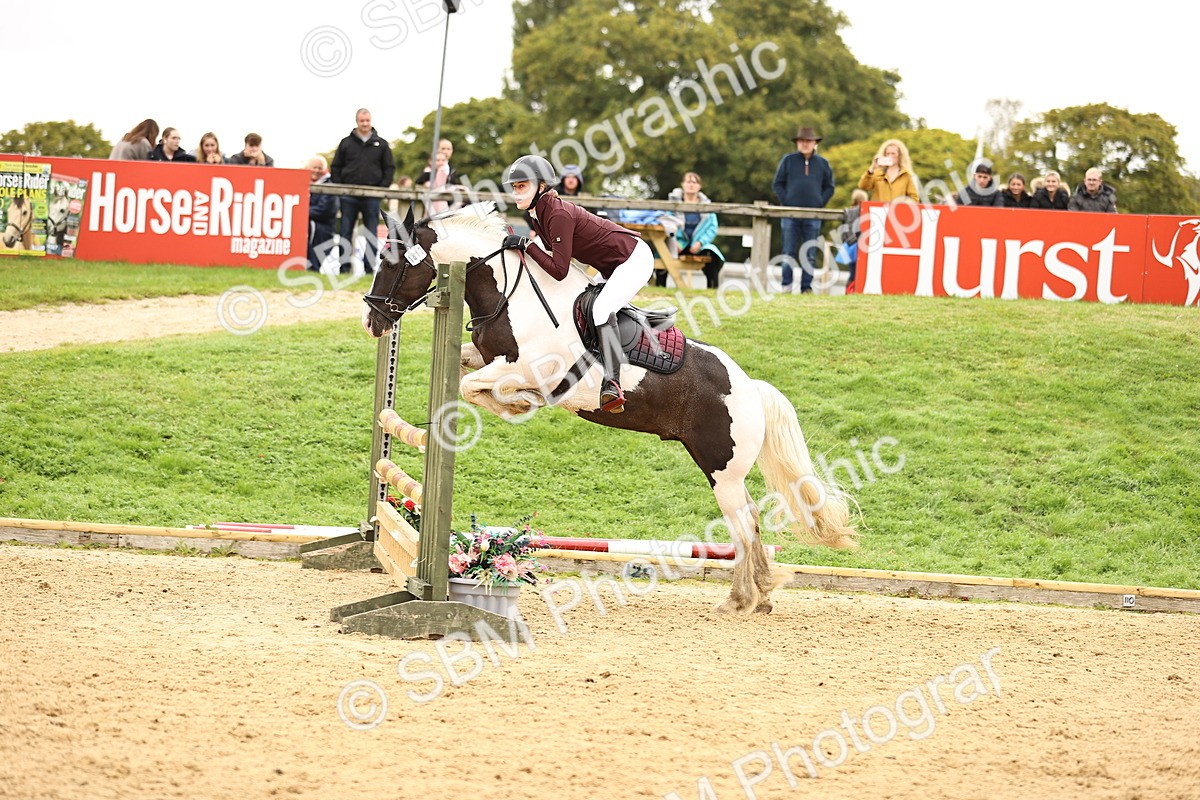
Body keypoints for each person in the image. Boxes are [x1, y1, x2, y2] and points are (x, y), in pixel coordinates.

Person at [499, 154, 653, 414]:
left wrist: (526, 245)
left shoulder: (556, 213)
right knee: (579, 307)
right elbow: (548, 255)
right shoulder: (539, 213)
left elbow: (559, 270)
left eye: (522, 186)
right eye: (514, 187)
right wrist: (524, 248)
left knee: (600, 310)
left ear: (542, 187)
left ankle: (613, 382)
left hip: (633, 259)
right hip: (611, 266)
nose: (516, 193)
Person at [331, 108, 395, 274]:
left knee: (371, 233)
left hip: (372, 197)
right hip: (349, 196)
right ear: (357, 121)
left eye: (367, 120)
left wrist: (381, 188)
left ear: (371, 120)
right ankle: (344, 268)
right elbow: (336, 167)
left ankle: (369, 269)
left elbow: (389, 168)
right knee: (345, 231)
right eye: (362, 121)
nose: (365, 124)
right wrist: (341, 188)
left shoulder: (381, 144)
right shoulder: (346, 143)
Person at [772, 126, 835, 294]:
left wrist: (819, 203)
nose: (805, 144)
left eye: (808, 141)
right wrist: (786, 201)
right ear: (797, 143)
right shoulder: (788, 160)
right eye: (802, 141)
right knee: (788, 251)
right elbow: (777, 184)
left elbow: (829, 187)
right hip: (790, 213)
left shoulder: (822, 163)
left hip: (813, 214)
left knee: (810, 252)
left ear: (815, 143)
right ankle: (786, 286)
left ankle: (806, 287)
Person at [664, 172, 725, 290]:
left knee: (713, 255)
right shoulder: (673, 204)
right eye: (688, 181)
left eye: (694, 182)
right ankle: (660, 287)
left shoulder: (707, 206)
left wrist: (701, 242)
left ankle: (712, 290)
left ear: (699, 186)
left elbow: (713, 227)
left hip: (698, 245)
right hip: (678, 244)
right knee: (662, 252)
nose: (691, 185)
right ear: (683, 184)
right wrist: (673, 241)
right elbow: (666, 222)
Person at [858, 138, 920, 203]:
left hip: (897, 211)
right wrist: (872, 168)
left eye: (893, 154)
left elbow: (914, 199)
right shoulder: (877, 173)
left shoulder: (906, 175)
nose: (890, 156)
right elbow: (863, 186)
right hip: (878, 211)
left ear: (900, 156)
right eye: (888, 154)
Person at [306, 156, 337, 272]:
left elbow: (324, 210)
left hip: (323, 231)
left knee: (313, 266)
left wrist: (301, 211)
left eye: (320, 168)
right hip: (310, 228)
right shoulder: (301, 182)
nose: (316, 170)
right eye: (314, 167)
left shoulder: (329, 186)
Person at [837, 188, 869, 293]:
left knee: (851, 271)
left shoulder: (847, 212)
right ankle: (854, 290)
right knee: (859, 273)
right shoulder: (864, 212)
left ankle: (848, 290)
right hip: (860, 246)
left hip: (849, 245)